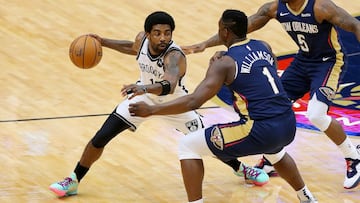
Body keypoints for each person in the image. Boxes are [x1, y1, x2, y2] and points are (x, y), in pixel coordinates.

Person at [49, 11, 268, 198]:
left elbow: (168, 85)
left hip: (176, 105)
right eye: (157, 33)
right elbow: (132, 48)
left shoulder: (175, 57)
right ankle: (74, 179)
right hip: (142, 98)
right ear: (147, 34)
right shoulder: (141, 41)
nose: (163, 38)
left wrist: (142, 88)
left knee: (211, 144)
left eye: (167, 33)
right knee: (100, 137)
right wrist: (103, 42)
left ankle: (242, 169)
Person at [129, 9, 318, 203]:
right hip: (287, 124)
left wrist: (152, 110)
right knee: (275, 150)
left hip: (258, 128)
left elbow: (194, 101)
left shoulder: (224, 63)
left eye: (220, 29)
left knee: (188, 146)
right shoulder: (264, 46)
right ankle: (307, 197)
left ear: (225, 32)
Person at [182, 0, 360, 189]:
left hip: (328, 63)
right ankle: (272, 156)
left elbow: (355, 24)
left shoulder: (321, 7)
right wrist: (204, 45)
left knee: (316, 114)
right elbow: (239, 30)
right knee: (273, 104)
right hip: (302, 61)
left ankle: (353, 157)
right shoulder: (275, 8)